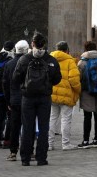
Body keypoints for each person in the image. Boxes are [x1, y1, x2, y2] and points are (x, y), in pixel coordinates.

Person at [12, 32, 61, 166]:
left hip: (28, 98)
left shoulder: (24, 59)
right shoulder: (51, 60)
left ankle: (25, 158)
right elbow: (57, 79)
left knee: (27, 127)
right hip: (44, 97)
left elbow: (16, 78)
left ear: (32, 44)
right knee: (44, 128)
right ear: (44, 44)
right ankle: (41, 158)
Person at [48, 40, 82, 152]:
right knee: (66, 119)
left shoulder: (50, 59)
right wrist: (78, 90)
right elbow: (74, 80)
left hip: (52, 94)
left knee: (52, 119)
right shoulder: (70, 61)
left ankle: (49, 144)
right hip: (66, 95)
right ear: (67, 50)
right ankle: (65, 143)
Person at [2, 39, 30, 162]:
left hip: (14, 99)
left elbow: (5, 84)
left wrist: (8, 101)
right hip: (27, 98)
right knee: (28, 126)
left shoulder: (9, 64)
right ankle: (29, 150)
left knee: (15, 126)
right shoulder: (29, 62)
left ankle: (13, 152)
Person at [77, 41, 97, 149]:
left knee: (87, 116)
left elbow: (79, 78)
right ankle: (96, 140)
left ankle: (85, 141)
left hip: (86, 92)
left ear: (86, 49)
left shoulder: (82, 63)